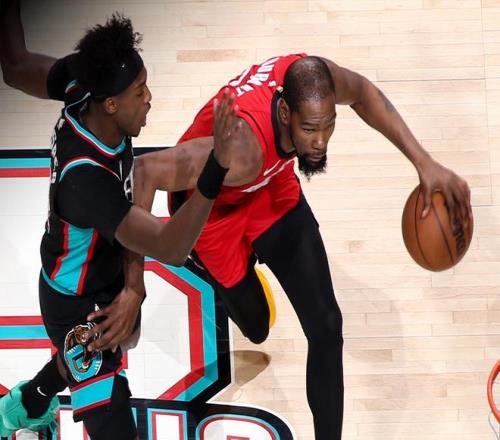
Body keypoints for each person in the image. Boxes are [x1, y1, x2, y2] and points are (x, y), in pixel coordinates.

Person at [128, 53, 472, 439]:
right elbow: (145, 171)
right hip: (213, 213)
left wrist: (424, 163)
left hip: (270, 188)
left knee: (327, 328)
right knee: (257, 329)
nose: (320, 141)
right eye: (309, 129)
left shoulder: (313, 79)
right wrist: (133, 287)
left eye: (328, 126)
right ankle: (218, 265)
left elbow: (363, 92)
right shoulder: (243, 147)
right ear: (284, 113)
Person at [0, 3, 241, 439]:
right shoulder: (86, 181)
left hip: (104, 273)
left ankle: (28, 403)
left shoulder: (84, 85)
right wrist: (216, 167)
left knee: (120, 341)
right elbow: (171, 246)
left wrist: (133, 286)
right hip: (76, 305)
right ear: (111, 104)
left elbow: (16, 67)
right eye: (139, 91)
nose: (149, 98)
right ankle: (26, 405)